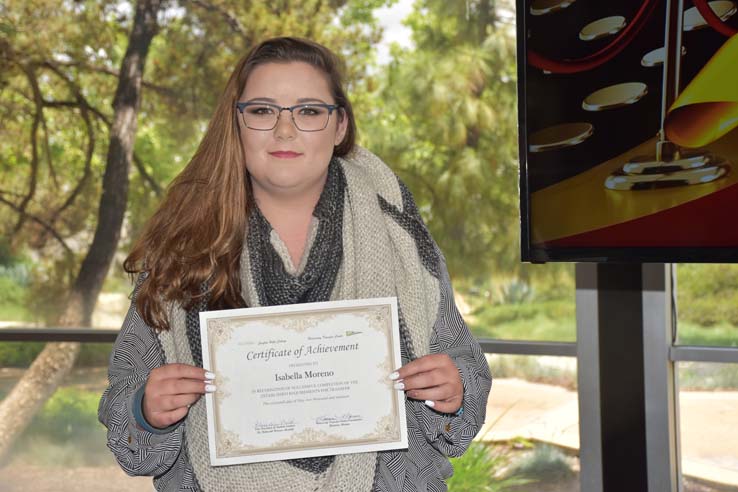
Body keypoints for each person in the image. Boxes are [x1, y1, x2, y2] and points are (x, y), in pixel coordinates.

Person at [99, 36, 491, 492]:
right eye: (263, 111)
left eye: (308, 111)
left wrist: (453, 390)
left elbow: (466, 375)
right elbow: (126, 417)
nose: (285, 131)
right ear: (237, 123)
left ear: (339, 125)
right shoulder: (182, 247)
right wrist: (146, 412)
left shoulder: (398, 231)